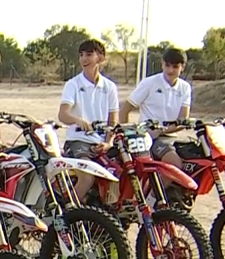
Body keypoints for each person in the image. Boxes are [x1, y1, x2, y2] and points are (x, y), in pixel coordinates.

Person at [58, 38, 119, 200]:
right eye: (81, 55)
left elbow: (113, 121)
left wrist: (108, 142)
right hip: (77, 143)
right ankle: (68, 217)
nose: (84, 59)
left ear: (101, 58)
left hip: (100, 144)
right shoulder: (73, 84)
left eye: (89, 54)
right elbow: (63, 115)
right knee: (87, 177)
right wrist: (77, 120)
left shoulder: (110, 87)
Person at [119, 47, 192, 169]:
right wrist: (128, 135)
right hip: (148, 138)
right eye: (167, 65)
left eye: (175, 67)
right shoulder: (149, 83)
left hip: (171, 137)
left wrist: (162, 131)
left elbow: (183, 120)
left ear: (182, 67)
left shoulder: (185, 88)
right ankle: (152, 189)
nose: (170, 70)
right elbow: (125, 109)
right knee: (175, 165)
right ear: (162, 64)